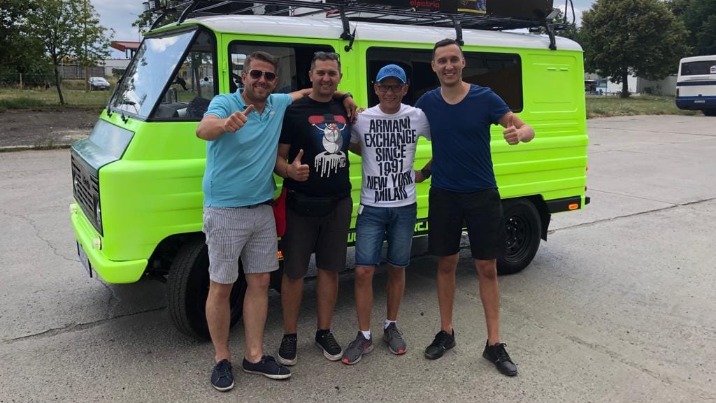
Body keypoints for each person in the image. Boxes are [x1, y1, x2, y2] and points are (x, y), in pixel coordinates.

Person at [196, 50, 355, 392]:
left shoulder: (277, 104)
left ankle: (253, 356)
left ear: (275, 81)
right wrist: (224, 125)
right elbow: (203, 129)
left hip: (262, 209)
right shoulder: (225, 103)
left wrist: (346, 96)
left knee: (259, 284)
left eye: (269, 76)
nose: (262, 81)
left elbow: (313, 90)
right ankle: (221, 358)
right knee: (221, 286)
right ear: (243, 77)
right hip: (225, 209)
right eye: (256, 74)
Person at [415, 38, 535, 377]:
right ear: (434, 66)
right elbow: (445, 145)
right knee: (446, 264)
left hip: (482, 194)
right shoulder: (427, 102)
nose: (448, 66)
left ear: (463, 63)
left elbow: (526, 127)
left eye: (454, 59)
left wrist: (520, 135)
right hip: (444, 195)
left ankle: (494, 343)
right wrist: (424, 172)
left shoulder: (485, 98)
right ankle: (446, 332)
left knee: (487, 267)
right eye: (442, 61)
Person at [341, 64, 431, 365]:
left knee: (397, 267)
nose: (390, 92)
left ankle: (391, 326)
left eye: (396, 86)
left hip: (405, 206)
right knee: (363, 271)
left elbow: (447, 140)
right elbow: (352, 145)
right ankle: (364, 334)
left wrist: (424, 172)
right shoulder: (362, 119)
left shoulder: (417, 116)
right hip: (371, 207)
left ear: (405, 89)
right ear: (375, 88)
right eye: (384, 86)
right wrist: (346, 96)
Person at [274, 51, 354, 367]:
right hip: (299, 204)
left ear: (339, 77)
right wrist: (289, 171)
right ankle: (290, 335)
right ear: (310, 75)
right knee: (294, 273)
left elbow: (357, 142)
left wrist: (347, 97)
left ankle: (324, 331)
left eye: (332, 73)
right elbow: (278, 158)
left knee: (329, 270)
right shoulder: (294, 111)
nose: (326, 78)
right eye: (320, 72)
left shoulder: (346, 109)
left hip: (338, 203)